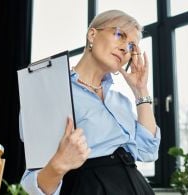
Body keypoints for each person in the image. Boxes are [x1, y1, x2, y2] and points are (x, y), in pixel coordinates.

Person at [20, 9, 161, 195]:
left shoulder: (122, 102)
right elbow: (32, 184)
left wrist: (141, 90)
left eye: (132, 47)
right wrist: (58, 165)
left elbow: (148, 150)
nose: (125, 48)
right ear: (92, 34)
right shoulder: (52, 93)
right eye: (120, 35)